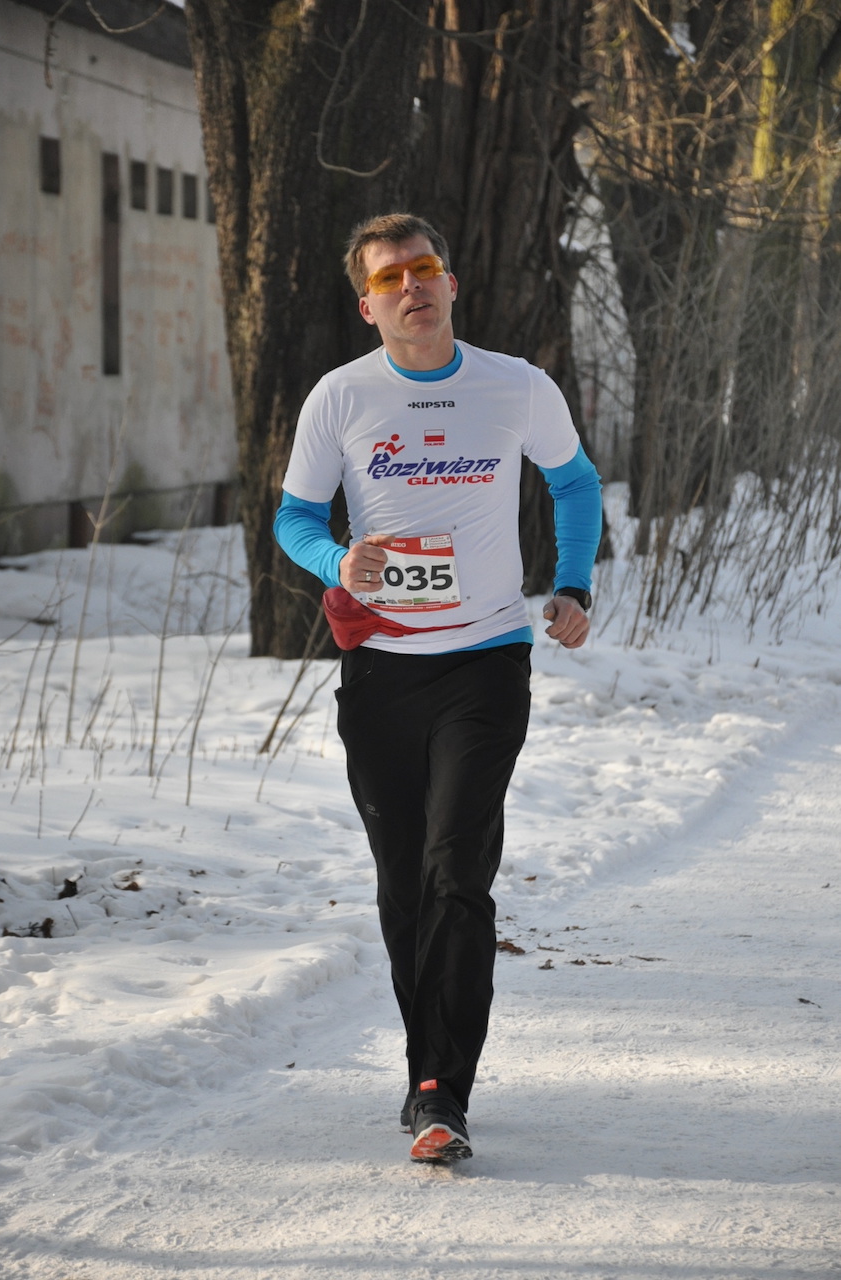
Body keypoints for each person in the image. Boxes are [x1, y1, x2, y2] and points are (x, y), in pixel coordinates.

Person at [274, 212, 602, 1163]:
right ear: (367, 305)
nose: (411, 287)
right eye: (390, 277)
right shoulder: (341, 397)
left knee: (457, 873)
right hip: (381, 668)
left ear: (450, 284)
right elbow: (295, 518)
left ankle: (439, 1090)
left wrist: (572, 584)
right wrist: (339, 562)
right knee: (403, 885)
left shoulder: (515, 385)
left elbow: (575, 484)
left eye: (424, 269)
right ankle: (429, 1070)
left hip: (485, 661)